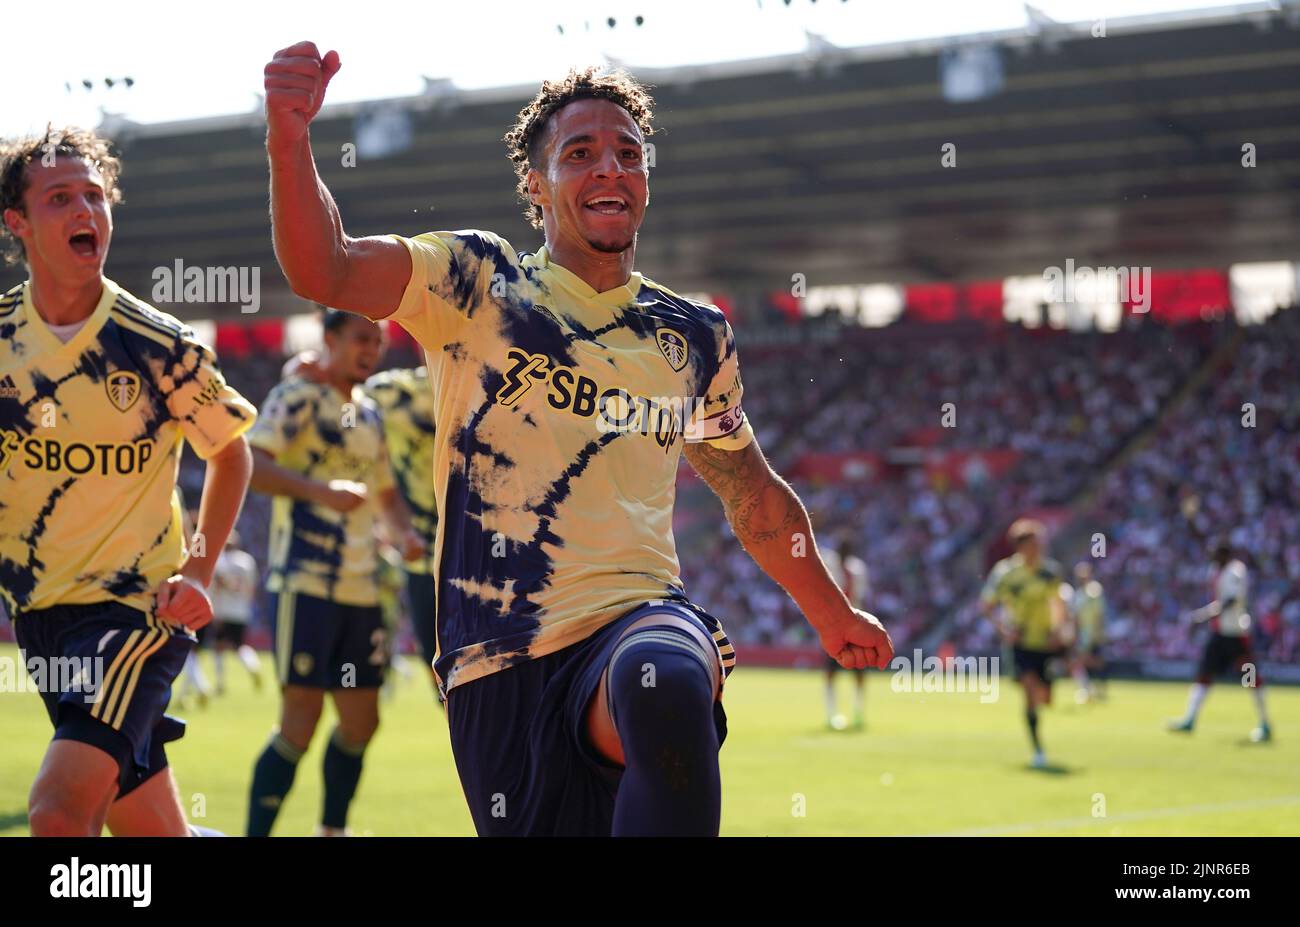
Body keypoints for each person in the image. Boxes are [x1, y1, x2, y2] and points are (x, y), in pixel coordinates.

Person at [262, 44, 893, 836]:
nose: (610, 169)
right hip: (496, 659)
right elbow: (327, 267)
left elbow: (751, 492)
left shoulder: (691, 335)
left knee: (666, 675)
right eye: (581, 153)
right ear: (537, 182)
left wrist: (833, 615)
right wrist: (290, 140)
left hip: (638, 614)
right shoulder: (478, 280)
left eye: (629, 153)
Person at [0, 127, 255, 836]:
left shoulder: (156, 343)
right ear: (16, 223)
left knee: (56, 813)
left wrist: (200, 571)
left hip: (137, 613)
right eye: (61, 198)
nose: (86, 211)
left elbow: (231, 453)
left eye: (95, 196)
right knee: (150, 837)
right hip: (40, 619)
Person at [244, 308, 423, 837]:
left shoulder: (368, 415)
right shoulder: (297, 397)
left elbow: (387, 492)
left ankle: (331, 830)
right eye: (360, 339)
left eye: (379, 342)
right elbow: (253, 463)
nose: (371, 350)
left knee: (362, 723)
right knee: (299, 724)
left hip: (363, 591)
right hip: (304, 583)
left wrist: (404, 533)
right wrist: (323, 493)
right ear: (329, 339)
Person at [981, 519, 1065, 769]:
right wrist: (1004, 631)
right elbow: (986, 606)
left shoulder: (1050, 572)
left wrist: (1058, 630)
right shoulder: (1005, 573)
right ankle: (1038, 748)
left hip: (1046, 643)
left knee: (1045, 698)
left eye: (1040, 542)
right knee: (1029, 690)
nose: (1039, 547)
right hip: (1020, 642)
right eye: (1034, 543)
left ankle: (1038, 708)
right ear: (1021, 546)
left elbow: (1058, 604)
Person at [1168, 543, 1271, 742]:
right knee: (1204, 674)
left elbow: (1231, 600)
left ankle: (1265, 723)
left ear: (1225, 554)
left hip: (1235, 634)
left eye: (1216, 553)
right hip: (1220, 632)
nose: (1212, 556)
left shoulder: (1235, 571)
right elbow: (1200, 538)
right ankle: (1189, 719)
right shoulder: (1218, 568)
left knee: (1250, 677)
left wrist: (1205, 613)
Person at [822, 537, 871, 730]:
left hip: (853, 625)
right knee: (831, 672)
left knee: (859, 670)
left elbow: (860, 597)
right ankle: (831, 713)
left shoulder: (857, 569)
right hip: (834, 626)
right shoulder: (829, 563)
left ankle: (858, 711)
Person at [210, 529, 264, 694]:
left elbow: (216, 587)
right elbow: (252, 588)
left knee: (218, 647)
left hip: (223, 609)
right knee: (239, 645)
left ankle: (220, 682)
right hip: (241, 609)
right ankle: (253, 666)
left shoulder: (220, 562)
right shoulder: (247, 561)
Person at [1067, 561, 1107, 704]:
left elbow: (1099, 614)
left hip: (1092, 634)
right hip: (1082, 635)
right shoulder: (1078, 594)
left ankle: (1089, 690)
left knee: (1084, 662)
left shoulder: (1093, 591)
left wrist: (1099, 632)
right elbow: (1075, 617)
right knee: (1079, 662)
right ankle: (1088, 689)